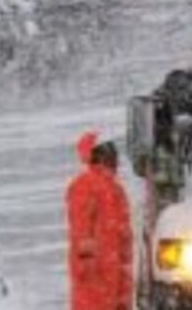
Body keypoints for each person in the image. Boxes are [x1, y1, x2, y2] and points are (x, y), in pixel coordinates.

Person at [67, 131, 133, 310]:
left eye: (113, 152)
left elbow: (123, 236)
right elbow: (81, 229)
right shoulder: (84, 185)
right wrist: (87, 264)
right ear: (97, 156)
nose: (115, 158)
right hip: (97, 276)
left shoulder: (116, 189)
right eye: (109, 152)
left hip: (114, 276)